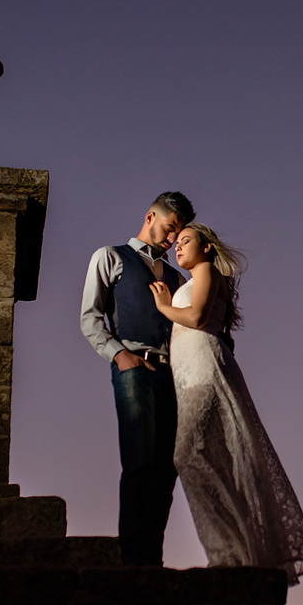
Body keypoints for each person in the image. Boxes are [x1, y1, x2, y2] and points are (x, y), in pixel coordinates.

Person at [149, 224, 303, 585]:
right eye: (176, 243)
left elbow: (195, 318)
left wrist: (164, 306)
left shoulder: (206, 271)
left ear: (207, 248)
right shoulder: (197, 276)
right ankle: (236, 553)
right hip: (190, 373)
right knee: (211, 457)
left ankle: (229, 554)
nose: (178, 248)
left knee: (187, 454)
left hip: (204, 371)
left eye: (186, 241)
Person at [80, 192, 195, 566]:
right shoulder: (110, 256)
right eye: (169, 228)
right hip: (134, 370)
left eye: (178, 233)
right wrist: (120, 355)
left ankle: (152, 558)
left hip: (174, 377)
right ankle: (132, 558)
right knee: (139, 460)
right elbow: (90, 316)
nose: (172, 239)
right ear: (150, 216)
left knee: (166, 469)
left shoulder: (177, 277)